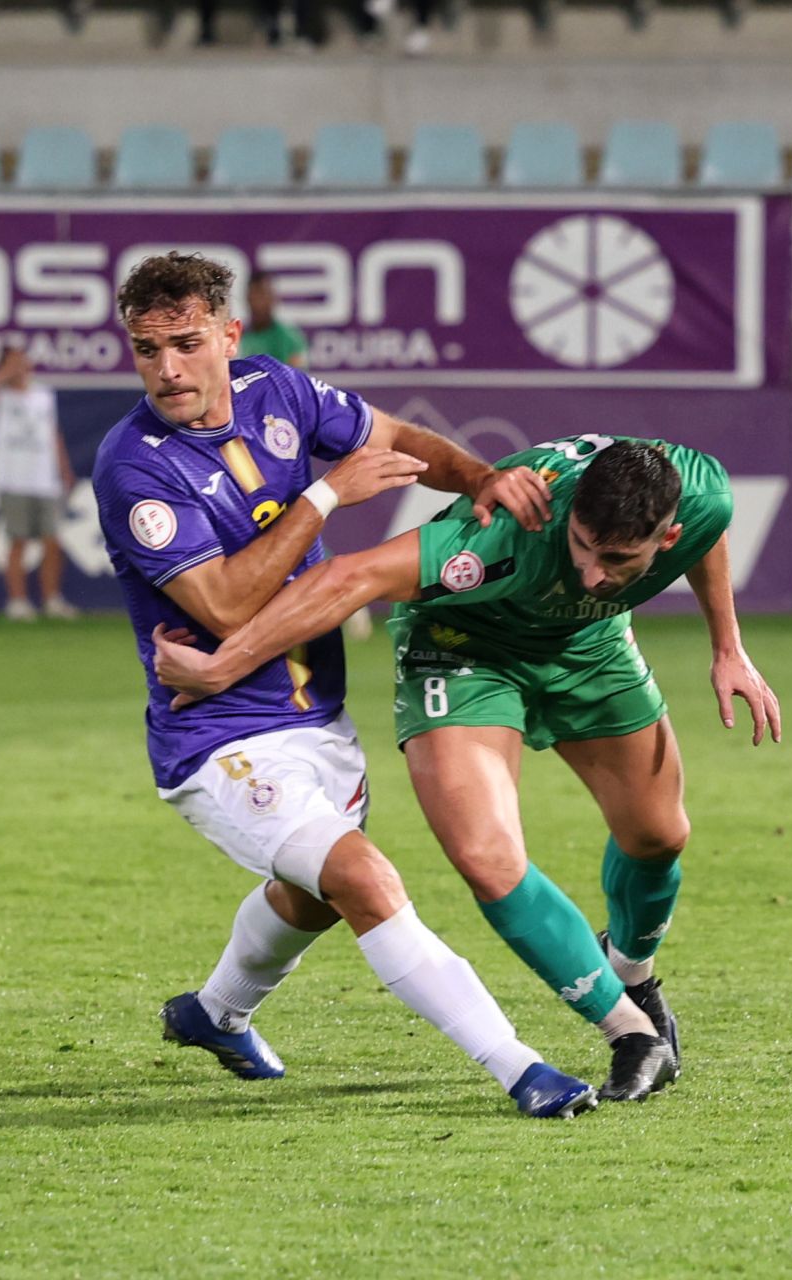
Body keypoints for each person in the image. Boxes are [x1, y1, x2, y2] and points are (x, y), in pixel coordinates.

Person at [94, 251, 606, 1120]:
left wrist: (478, 477)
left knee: (314, 895)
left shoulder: (277, 390)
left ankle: (217, 1013)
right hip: (217, 736)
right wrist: (327, 495)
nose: (167, 369)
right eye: (147, 350)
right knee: (363, 880)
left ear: (228, 335)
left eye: (185, 344)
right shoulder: (134, 466)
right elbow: (220, 606)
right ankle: (522, 1069)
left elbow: (395, 440)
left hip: (318, 720)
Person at [155, 433, 783, 1102]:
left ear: (666, 532)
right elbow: (349, 578)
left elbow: (708, 530)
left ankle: (631, 972)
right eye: (583, 546)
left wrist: (728, 647)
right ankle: (630, 1032)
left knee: (660, 835)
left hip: (588, 644)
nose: (595, 572)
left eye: (618, 560)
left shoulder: (701, 494)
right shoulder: (508, 529)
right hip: (464, 650)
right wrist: (226, 664)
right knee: (487, 857)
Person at [0, 346, 77, 621]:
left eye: (23, 360)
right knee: (18, 540)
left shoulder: (42, 395)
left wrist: (64, 468)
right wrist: (6, 374)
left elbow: (53, 433)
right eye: (14, 361)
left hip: (44, 479)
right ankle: (17, 601)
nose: (21, 365)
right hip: (14, 479)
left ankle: (52, 599)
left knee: (52, 541)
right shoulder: (0, 397)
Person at [237, 273, 307, 368]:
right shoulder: (239, 335)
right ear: (247, 298)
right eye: (254, 295)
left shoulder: (289, 338)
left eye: (263, 295)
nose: (258, 302)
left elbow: (296, 378)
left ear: (273, 298)